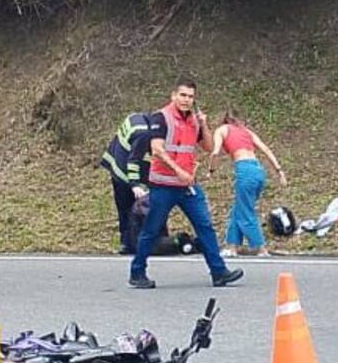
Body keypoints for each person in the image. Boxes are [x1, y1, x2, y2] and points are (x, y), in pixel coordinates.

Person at [129, 78, 243, 290]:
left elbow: (209, 147)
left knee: (204, 226)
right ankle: (137, 272)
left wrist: (204, 125)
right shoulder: (160, 117)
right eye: (183, 95)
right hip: (163, 184)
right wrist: (179, 171)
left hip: (186, 186)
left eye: (190, 96)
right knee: (151, 229)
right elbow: (157, 150)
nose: (186, 100)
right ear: (173, 95)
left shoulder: (194, 121)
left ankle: (219, 272)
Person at [210, 108, 287, 257]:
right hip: (258, 170)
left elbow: (215, 152)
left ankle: (260, 247)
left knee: (245, 211)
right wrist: (279, 171)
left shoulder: (222, 130)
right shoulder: (247, 132)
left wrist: (211, 170)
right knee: (238, 209)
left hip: (244, 169)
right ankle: (232, 246)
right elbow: (265, 149)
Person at [100, 112, 166, 254]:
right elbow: (134, 161)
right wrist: (136, 185)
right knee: (127, 205)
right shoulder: (143, 135)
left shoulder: (146, 122)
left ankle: (147, 239)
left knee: (142, 204)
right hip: (121, 168)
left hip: (122, 156)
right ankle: (128, 243)